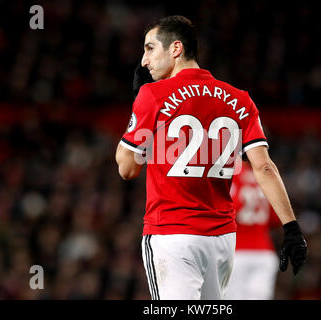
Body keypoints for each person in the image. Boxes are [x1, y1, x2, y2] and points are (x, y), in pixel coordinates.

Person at [115, 15, 307, 300]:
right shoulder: (240, 99)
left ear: (176, 49)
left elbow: (127, 169)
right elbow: (264, 167)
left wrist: (138, 106)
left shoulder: (152, 96)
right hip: (223, 241)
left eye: (150, 48)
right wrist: (291, 227)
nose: (144, 60)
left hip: (172, 233)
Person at [226, 161, 282, 300]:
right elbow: (276, 218)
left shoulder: (232, 174)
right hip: (265, 252)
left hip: (238, 252)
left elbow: (228, 211)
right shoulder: (266, 175)